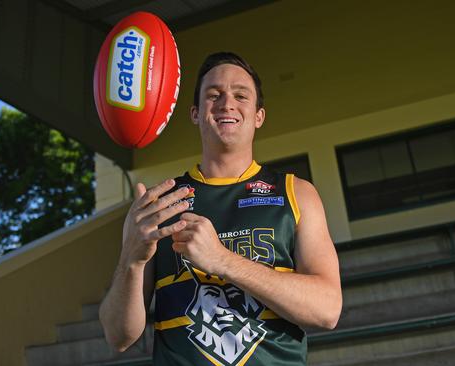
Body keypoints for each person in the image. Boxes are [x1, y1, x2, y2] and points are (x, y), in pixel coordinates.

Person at [99, 52, 342, 365]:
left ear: (258, 116)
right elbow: (118, 336)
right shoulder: (160, 206)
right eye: (214, 95)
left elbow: (327, 309)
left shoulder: (297, 193)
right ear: (196, 113)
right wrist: (131, 260)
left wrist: (222, 260)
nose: (227, 103)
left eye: (241, 95)